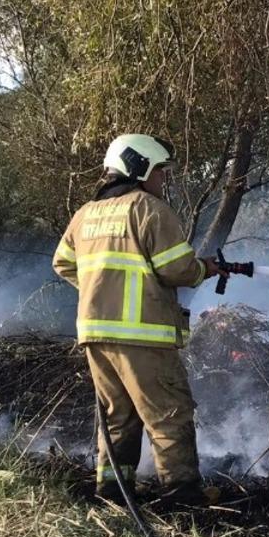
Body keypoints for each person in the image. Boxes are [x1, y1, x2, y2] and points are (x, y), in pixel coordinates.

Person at [52, 134, 221, 503]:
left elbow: (62, 262)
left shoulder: (85, 215)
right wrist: (202, 269)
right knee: (169, 414)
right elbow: (176, 268)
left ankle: (113, 490)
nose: (163, 180)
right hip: (143, 336)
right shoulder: (148, 209)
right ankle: (182, 495)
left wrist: (98, 289)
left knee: (116, 419)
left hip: (96, 335)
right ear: (139, 166)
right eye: (160, 172)